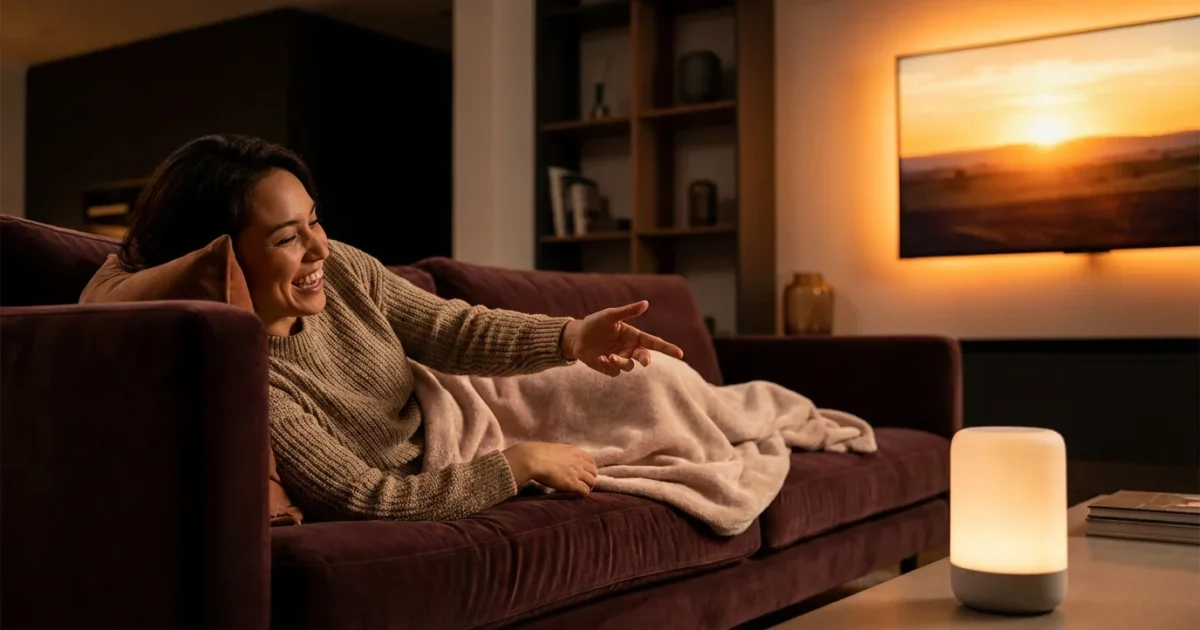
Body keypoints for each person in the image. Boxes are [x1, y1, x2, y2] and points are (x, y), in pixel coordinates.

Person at [118, 134, 685, 522]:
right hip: (456, 448)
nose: (321, 249)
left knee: (656, 382)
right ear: (219, 260)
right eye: (287, 237)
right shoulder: (257, 389)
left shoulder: (340, 267)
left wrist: (572, 337)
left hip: (459, 400)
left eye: (314, 220)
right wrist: (522, 462)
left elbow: (452, 328)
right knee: (656, 400)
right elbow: (368, 498)